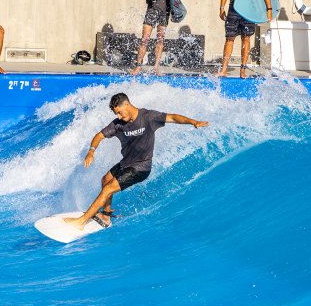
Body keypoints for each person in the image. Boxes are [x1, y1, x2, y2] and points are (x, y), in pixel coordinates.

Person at [63, 92, 207, 230]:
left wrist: (193, 122)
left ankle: (81, 222)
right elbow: (99, 136)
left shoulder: (148, 117)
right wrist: (91, 151)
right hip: (127, 163)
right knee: (105, 180)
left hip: (141, 167)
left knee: (108, 189)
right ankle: (106, 216)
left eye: (120, 112)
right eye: (116, 114)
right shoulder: (118, 124)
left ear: (127, 104)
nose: (118, 116)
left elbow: (173, 117)